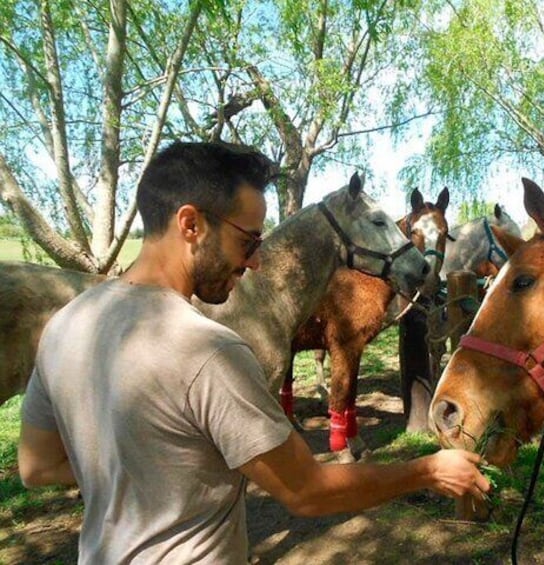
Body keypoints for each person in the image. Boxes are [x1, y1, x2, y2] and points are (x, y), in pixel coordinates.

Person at [17, 141, 489, 564]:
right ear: (191, 224)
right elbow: (307, 492)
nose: (257, 260)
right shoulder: (208, 349)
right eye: (248, 241)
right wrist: (427, 470)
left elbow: (36, 467)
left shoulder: (66, 324)